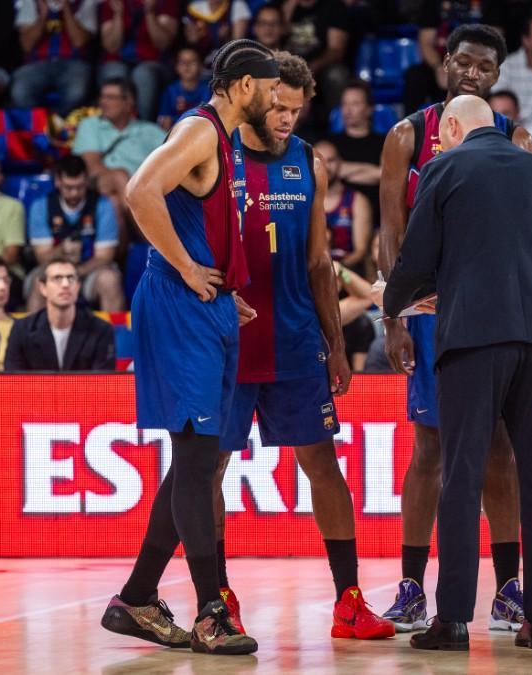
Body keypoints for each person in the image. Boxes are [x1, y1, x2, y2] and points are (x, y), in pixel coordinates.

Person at [101, 39, 277, 656]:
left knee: (194, 463)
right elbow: (139, 191)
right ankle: (210, 612)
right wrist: (186, 269)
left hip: (206, 306)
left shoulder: (221, 141)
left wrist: (223, 285)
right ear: (246, 86)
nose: (278, 102)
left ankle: (139, 598)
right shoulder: (202, 132)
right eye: (273, 90)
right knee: (199, 462)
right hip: (180, 306)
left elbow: (199, 224)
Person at [212, 53, 395, 640]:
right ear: (255, 96)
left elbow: (320, 261)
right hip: (228, 342)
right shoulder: (213, 151)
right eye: (279, 106)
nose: (288, 118)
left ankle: (349, 600)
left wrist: (336, 345)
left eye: (297, 109)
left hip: (294, 339)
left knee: (322, 465)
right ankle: (217, 600)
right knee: (207, 469)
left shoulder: (307, 162)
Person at [376, 94, 532, 652]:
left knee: (460, 475)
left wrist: (396, 302)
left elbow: (416, 256)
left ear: (453, 127)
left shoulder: (444, 165)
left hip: (474, 337)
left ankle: (453, 620)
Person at [26, 155, 125, 312]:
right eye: (68, 187)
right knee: (39, 282)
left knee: (110, 280)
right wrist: (62, 251)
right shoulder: (41, 206)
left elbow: (105, 256)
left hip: (91, 270)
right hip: (52, 270)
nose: (74, 194)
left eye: (79, 187)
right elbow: (42, 257)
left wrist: (76, 272)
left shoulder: (102, 204)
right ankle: (32, 335)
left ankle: (114, 336)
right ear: (58, 181)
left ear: (86, 180)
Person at [5, 258, 115, 370]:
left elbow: (103, 381)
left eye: (71, 278)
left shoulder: (101, 330)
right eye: (57, 278)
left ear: (78, 287)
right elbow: (14, 381)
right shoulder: (21, 330)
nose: (65, 284)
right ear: (43, 288)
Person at [75, 78, 165, 201]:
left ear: (129, 102)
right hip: (102, 183)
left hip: (147, 189)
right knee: (119, 178)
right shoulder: (91, 125)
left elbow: (176, 158)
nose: (103, 102)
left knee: (115, 200)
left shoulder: (150, 131)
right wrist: (127, 182)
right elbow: (92, 168)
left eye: (110, 97)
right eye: (102, 97)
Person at [97, 0, 180, 121]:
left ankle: (140, 128)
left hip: (154, 63)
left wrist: (150, 13)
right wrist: (118, 15)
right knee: (115, 72)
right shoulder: (112, 3)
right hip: (118, 61)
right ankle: (111, 126)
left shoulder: (166, 3)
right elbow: (111, 47)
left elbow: (163, 44)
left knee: (143, 74)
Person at [12, 0, 97, 115]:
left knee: (77, 92)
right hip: (37, 63)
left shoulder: (85, 3)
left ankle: (58, 125)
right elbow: (26, 45)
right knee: (20, 91)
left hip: (73, 63)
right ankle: (41, 125)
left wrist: (66, 8)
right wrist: (43, 15)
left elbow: (79, 41)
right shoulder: (31, 2)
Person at [326, 80, 385, 221]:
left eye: (355, 104)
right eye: (345, 104)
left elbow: (384, 175)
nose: (348, 110)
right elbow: (325, 171)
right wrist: (373, 171)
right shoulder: (330, 142)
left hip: (375, 214)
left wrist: (341, 172)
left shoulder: (384, 142)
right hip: (337, 215)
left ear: (370, 108)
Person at [316, 139, 372, 268]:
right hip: (312, 273)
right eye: (320, 161)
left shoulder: (357, 200)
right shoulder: (304, 200)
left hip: (347, 272)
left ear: (340, 162)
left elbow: (360, 251)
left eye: (331, 160)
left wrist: (335, 271)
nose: (326, 167)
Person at [487, 90, 532, 176]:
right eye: (495, 114)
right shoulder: (479, 138)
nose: (500, 119)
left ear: (517, 113)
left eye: (506, 113)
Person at [157, 48, 211, 131]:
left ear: (200, 66)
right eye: (182, 62)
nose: (187, 65)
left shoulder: (206, 89)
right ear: (176, 67)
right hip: (176, 133)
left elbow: (209, 118)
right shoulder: (170, 91)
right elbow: (164, 120)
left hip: (200, 132)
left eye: (192, 61)